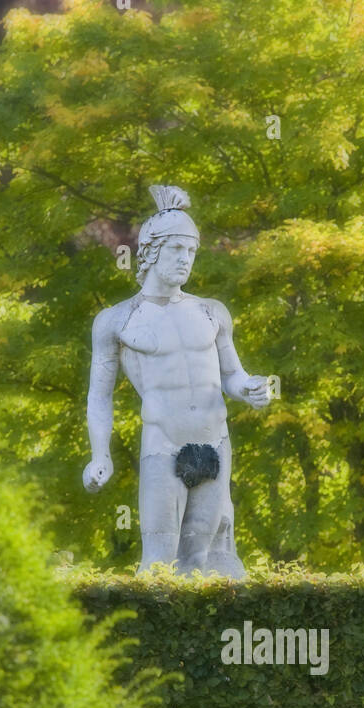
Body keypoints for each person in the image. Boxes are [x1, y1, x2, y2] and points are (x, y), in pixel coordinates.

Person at [83, 184, 270, 576]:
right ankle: (156, 636)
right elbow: (100, 398)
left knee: (206, 562)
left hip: (215, 442)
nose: (186, 259)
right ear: (150, 251)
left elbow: (232, 376)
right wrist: (100, 454)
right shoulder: (118, 320)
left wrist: (250, 388)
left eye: (191, 251)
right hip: (163, 446)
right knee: (159, 564)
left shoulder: (211, 312)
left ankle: (208, 635)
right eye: (176, 249)